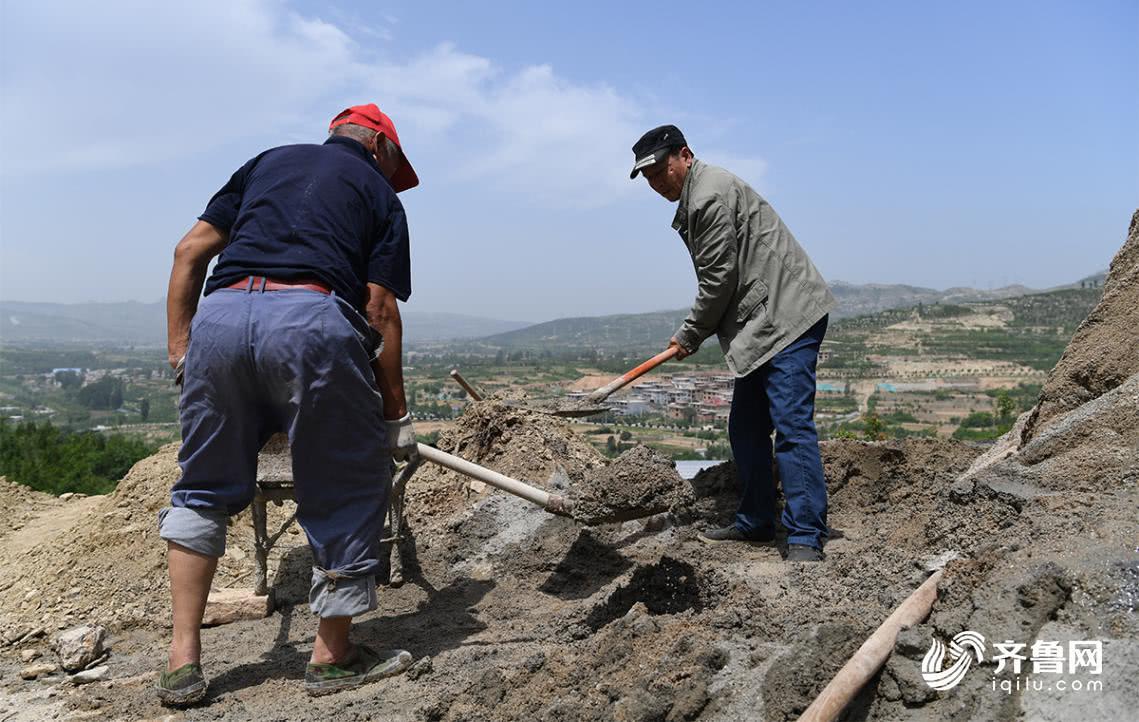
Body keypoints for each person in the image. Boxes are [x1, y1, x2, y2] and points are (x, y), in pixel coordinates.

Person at [157, 103, 420, 705]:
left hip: (219, 322)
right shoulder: (380, 196)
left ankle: (181, 663)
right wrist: (395, 416)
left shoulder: (265, 164)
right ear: (379, 149)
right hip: (310, 324)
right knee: (349, 482)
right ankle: (332, 658)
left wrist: (181, 351)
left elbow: (189, 252)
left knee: (200, 488)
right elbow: (379, 309)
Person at [630, 125, 835, 563]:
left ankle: (804, 537)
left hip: (786, 317)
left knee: (792, 427)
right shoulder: (699, 194)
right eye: (647, 178)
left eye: (659, 170)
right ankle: (757, 521)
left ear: (684, 155)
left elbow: (718, 279)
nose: (655, 183)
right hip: (760, 322)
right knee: (745, 427)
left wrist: (689, 333)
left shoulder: (707, 197)